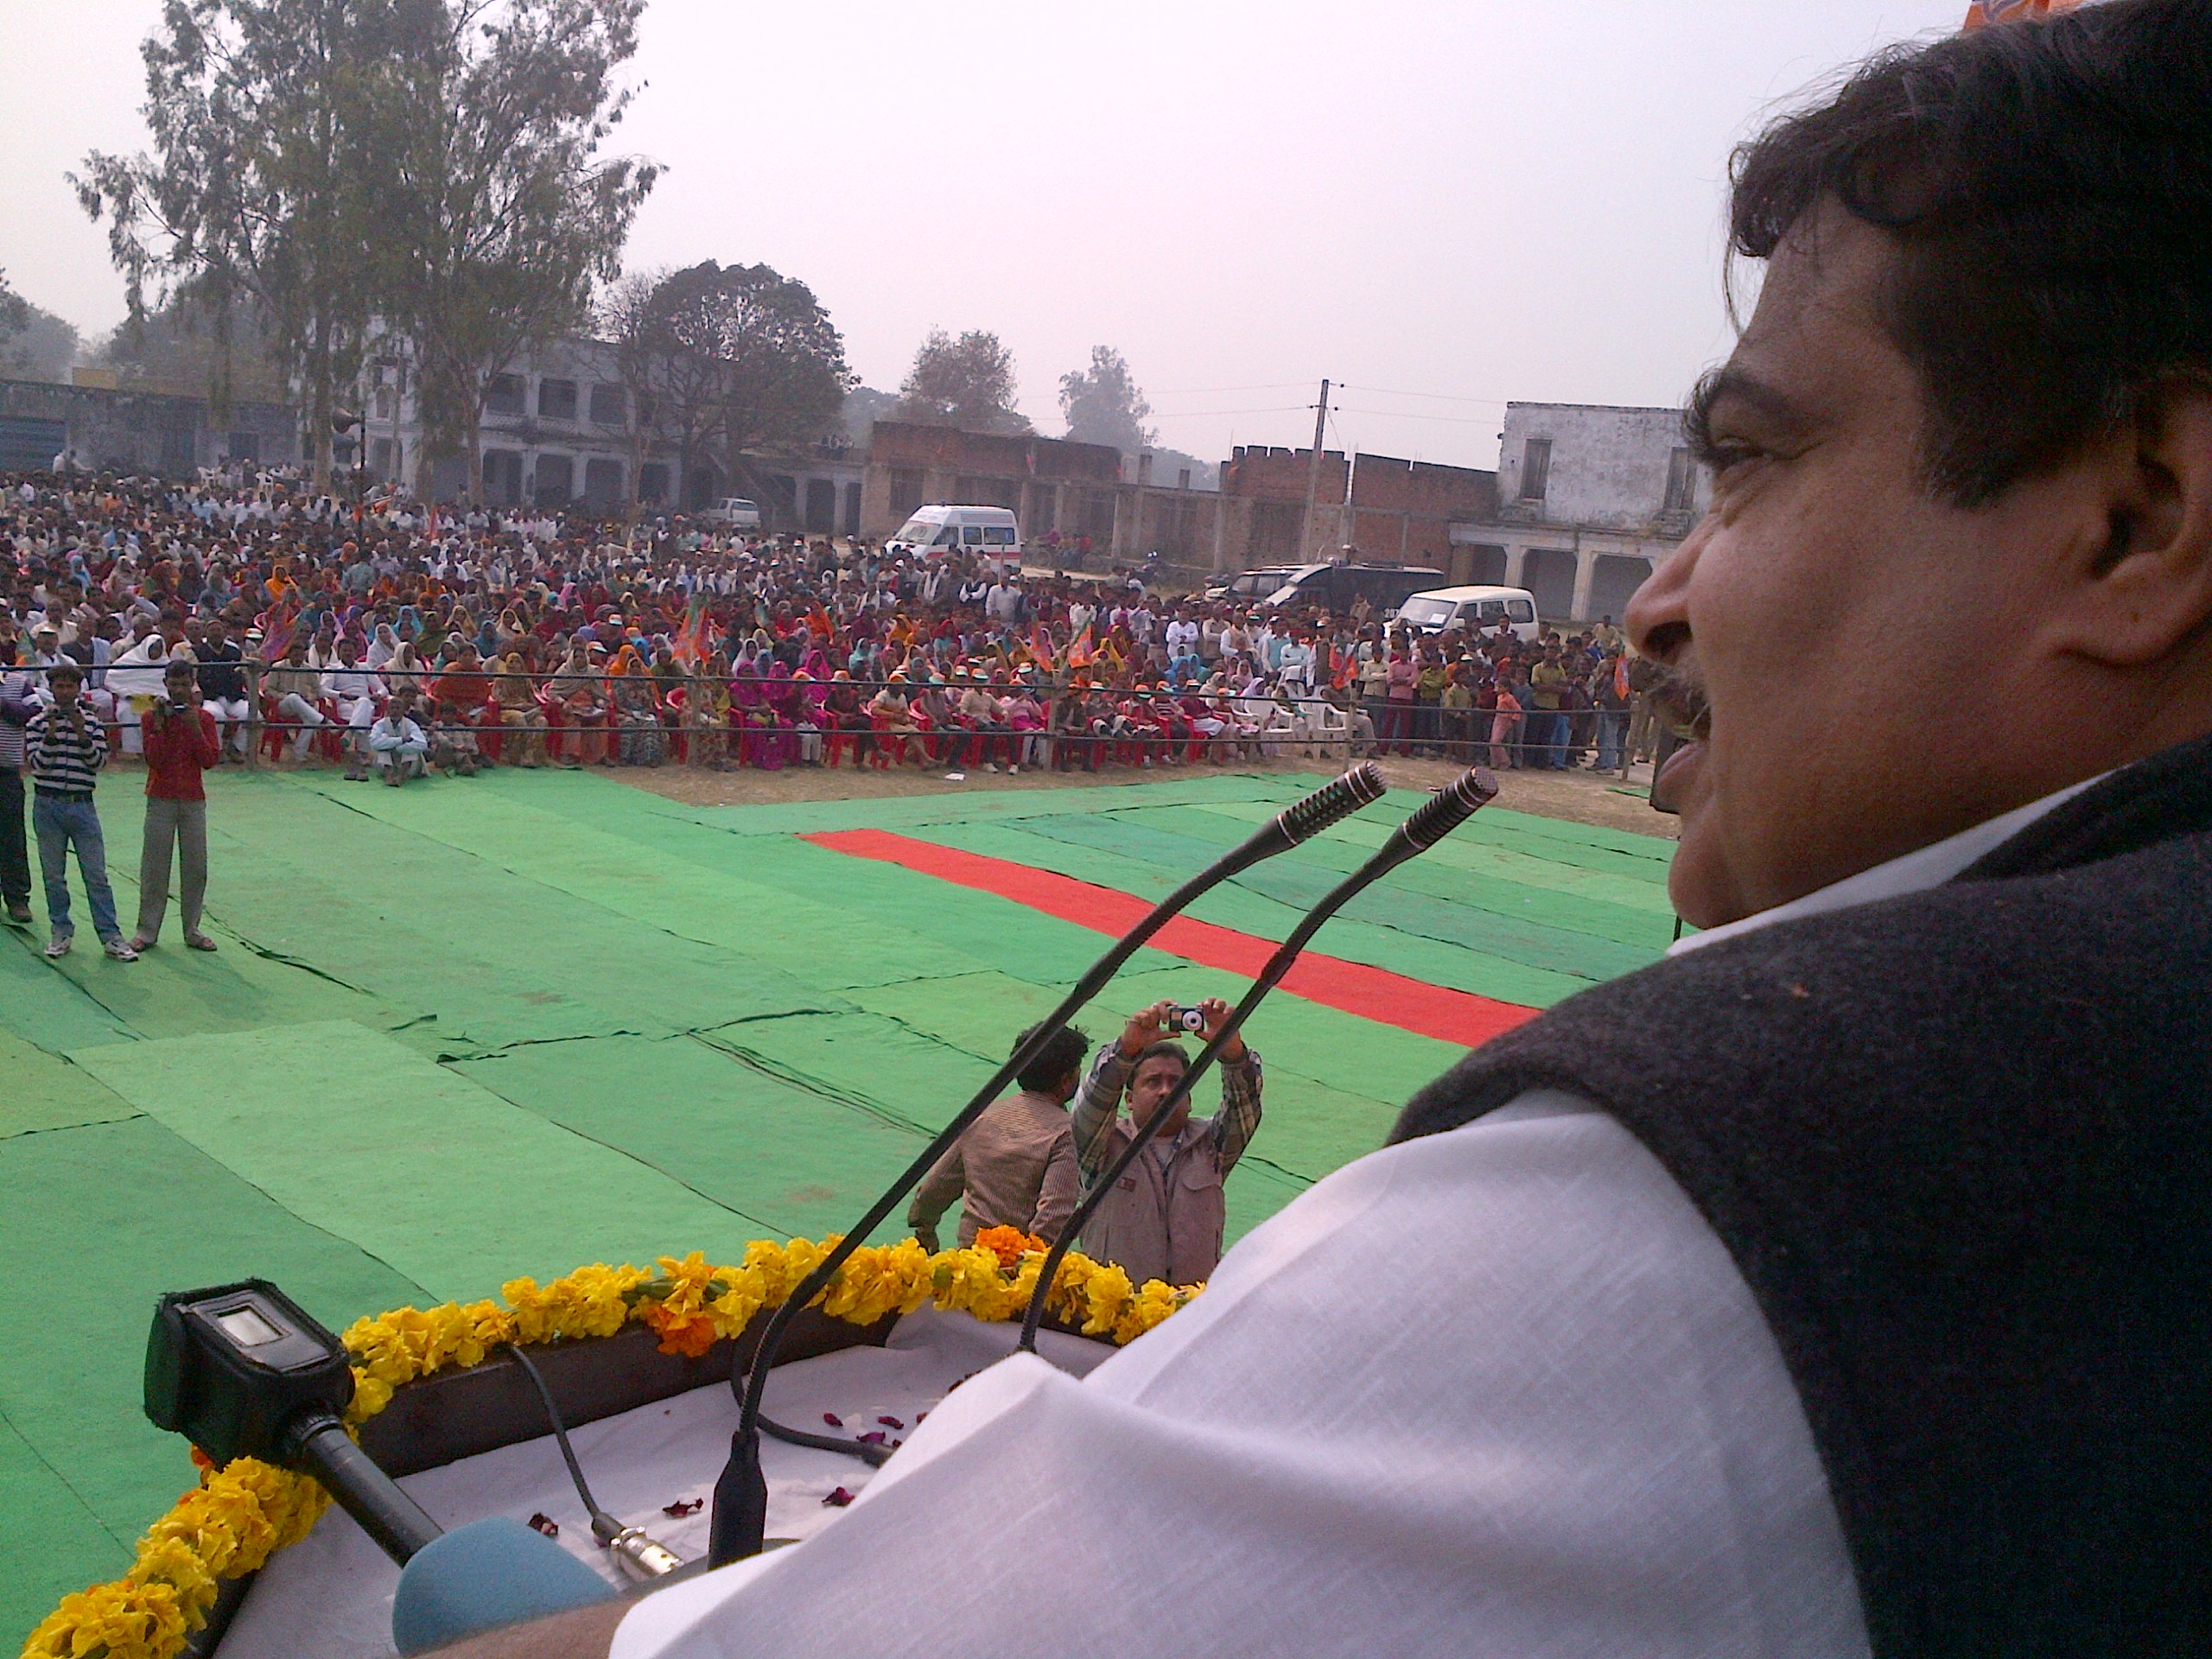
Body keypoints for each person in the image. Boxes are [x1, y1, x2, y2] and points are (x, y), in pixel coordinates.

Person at [442, 11, 2210, 1659]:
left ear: (2136, 522)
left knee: (460, 1577)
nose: (1651, 610)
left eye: (1746, 464)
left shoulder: (1760, 1190)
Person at [1069, 998, 1263, 1287]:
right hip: (1112, 1316)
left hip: (1189, 1314)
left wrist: (1233, 1053)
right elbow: (1093, 1101)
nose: (1165, 1091)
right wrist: (1126, 1049)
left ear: (1190, 1098)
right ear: (1129, 1099)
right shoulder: (1101, 1146)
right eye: (1153, 1081)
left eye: (1176, 1082)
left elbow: (1245, 1104)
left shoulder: (1212, 1147)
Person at [906, 1022, 1088, 1252]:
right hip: (1017, 1273)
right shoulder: (1065, 1134)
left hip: (968, 1262)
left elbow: (934, 1190)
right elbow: (1053, 1217)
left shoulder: (983, 1117)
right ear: (1065, 1081)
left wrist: (925, 1230)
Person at [24, 663, 134, 961]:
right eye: (59, 686)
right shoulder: (37, 722)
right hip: (47, 803)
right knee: (53, 875)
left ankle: (110, 936)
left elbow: (98, 762)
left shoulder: (92, 722)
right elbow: (37, 764)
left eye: (69, 686)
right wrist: (51, 734)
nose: (64, 692)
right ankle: (61, 930)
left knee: (96, 874)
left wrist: (81, 733)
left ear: (78, 689)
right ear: (52, 689)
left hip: (82, 803)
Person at [129, 658, 221, 952]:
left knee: (196, 866)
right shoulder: (152, 717)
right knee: (154, 867)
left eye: (184, 684)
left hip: (193, 799)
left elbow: (209, 760)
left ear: (192, 685)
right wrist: (159, 725)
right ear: (166, 684)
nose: (179, 690)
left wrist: (195, 729)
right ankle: (147, 930)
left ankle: (192, 929)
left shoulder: (204, 718)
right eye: (175, 684)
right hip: (161, 797)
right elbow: (153, 760)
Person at [366, 687, 430, 785]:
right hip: (383, 766)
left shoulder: (410, 724)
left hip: (409, 768)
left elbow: (422, 744)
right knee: (384, 738)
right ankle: (388, 777)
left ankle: (401, 777)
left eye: (398, 708)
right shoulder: (380, 724)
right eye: (392, 708)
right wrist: (400, 740)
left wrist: (399, 747)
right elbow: (374, 743)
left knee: (411, 746)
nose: (395, 711)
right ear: (388, 710)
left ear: (403, 710)